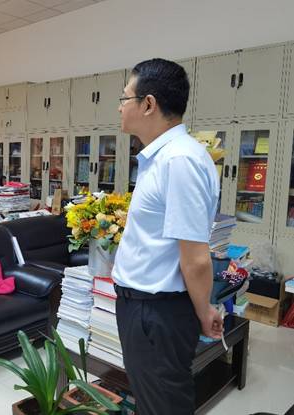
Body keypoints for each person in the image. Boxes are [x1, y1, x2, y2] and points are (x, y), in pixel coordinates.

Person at [112, 59, 224, 415]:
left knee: (163, 406)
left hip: (156, 314)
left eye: (125, 98)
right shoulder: (162, 158)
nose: (120, 107)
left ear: (148, 104)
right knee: (151, 402)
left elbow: (196, 257)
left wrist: (204, 311)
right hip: (143, 309)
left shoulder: (179, 161)